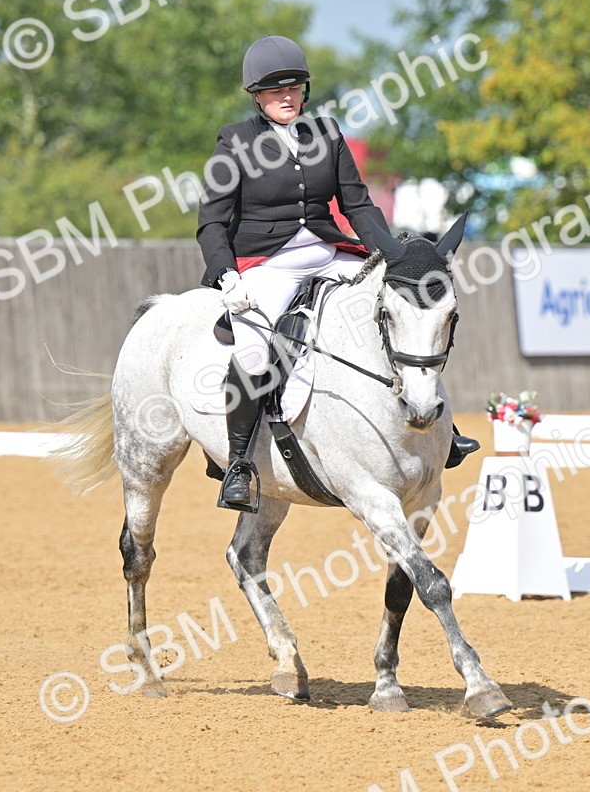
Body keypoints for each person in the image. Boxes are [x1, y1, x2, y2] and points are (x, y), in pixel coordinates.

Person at [196, 35, 478, 511]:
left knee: (402, 311)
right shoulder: (236, 142)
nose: (287, 96)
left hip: (330, 248)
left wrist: (392, 255)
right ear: (256, 96)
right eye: (274, 90)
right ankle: (239, 464)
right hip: (269, 260)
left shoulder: (325, 134)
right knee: (252, 345)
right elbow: (211, 221)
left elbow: (357, 204)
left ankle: (442, 432)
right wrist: (226, 275)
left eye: (295, 87)